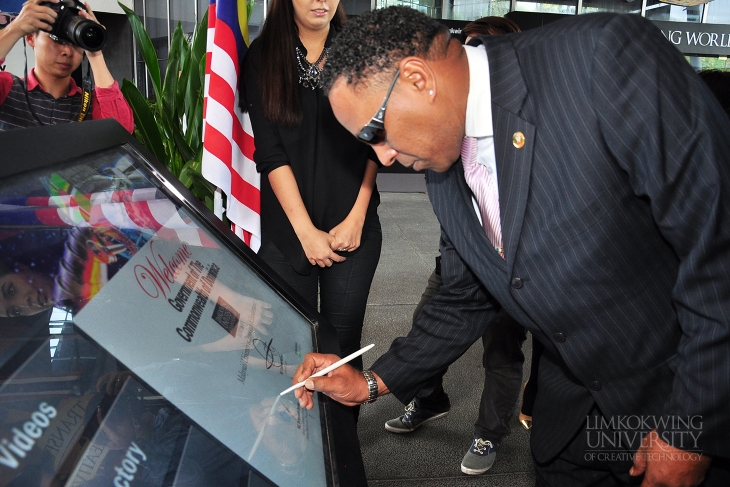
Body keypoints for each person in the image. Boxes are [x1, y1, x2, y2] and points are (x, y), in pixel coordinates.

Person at [293, 7, 730, 486]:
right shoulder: (443, 158)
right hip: (572, 429)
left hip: (682, 401)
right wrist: (371, 383)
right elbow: (466, 295)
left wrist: (690, 430)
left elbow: (717, 247)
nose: (384, 156)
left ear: (418, 79)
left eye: (376, 132)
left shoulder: (603, 59)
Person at [384, 15, 529, 477]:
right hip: (455, 259)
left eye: (484, 52)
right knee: (428, 327)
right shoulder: (446, 135)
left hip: (517, 267)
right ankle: (429, 400)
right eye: (467, 50)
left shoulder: (532, 134)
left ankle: (490, 432)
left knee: (502, 354)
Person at [239, 0, 382, 420]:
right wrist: (304, 232)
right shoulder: (264, 57)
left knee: (341, 350)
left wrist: (358, 216)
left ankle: (341, 456)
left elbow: (378, 138)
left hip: (352, 225)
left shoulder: (361, 50)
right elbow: (270, 152)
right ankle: (296, 456)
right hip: (289, 231)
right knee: (288, 347)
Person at [0, 0, 133, 132]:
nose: (67, 52)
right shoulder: (7, 89)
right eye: (57, 40)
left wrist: (95, 52)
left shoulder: (89, 105)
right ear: (30, 38)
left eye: (76, 44)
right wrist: (15, 28)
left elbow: (120, 134)